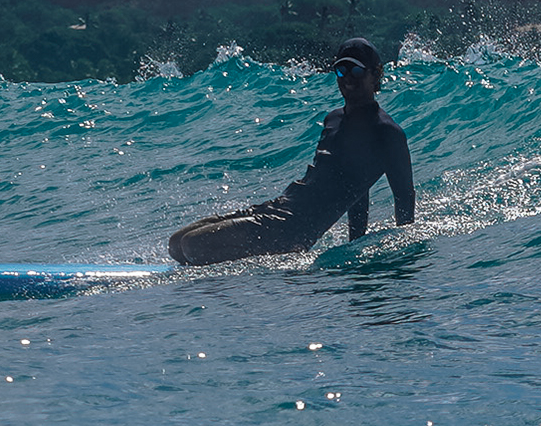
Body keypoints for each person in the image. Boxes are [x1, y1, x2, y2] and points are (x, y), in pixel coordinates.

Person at [168, 38, 415, 265]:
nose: (348, 78)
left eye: (357, 71)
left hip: (291, 230)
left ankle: (237, 287)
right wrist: (355, 241)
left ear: (376, 75)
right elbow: (356, 188)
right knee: (177, 244)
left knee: (193, 245)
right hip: (278, 208)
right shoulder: (334, 119)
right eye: (342, 70)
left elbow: (404, 197)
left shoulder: (387, 133)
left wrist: (403, 256)